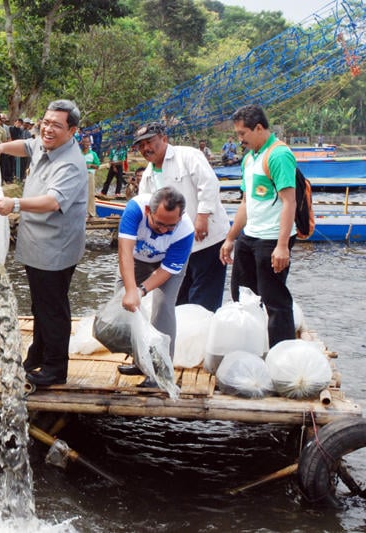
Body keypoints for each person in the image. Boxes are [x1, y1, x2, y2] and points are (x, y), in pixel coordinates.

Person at [0, 99, 87, 387]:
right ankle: (38, 354)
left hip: (55, 247)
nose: (47, 129)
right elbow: (27, 146)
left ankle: (56, 368)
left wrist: (14, 203)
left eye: (56, 125)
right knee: (41, 305)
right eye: (45, 122)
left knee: (53, 308)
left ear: (72, 131)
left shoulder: (70, 163)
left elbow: (53, 201)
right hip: (37, 244)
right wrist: (0, 148)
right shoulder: (46, 144)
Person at [220, 104, 297, 347]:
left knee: (274, 300)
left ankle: (281, 355)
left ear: (259, 128)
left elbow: (289, 202)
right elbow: (246, 202)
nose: (240, 139)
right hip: (250, 235)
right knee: (242, 296)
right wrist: (231, 237)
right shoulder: (249, 159)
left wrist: (282, 245)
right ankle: (252, 346)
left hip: (272, 238)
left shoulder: (278, 155)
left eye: (243, 134)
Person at [134, 122, 230, 312]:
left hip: (207, 240)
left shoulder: (187, 156)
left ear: (164, 139)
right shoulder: (147, 176)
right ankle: (182, 338)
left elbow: (209, 184)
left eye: (150, 142)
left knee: (205, 298)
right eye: (141, 145)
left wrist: (202, 217)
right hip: (176, 246)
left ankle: (202, 336)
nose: (146, 148)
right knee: (178, 299)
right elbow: (147, 211)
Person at [116, 188, 194, 385]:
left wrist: (141, 291)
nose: (163, 230)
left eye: (170, 226)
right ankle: (140, 361)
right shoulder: (134, 210)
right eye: (159, 224)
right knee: (124, 302)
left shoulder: (185, 231)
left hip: (166, 263)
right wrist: (131, 291)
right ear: (148, 211)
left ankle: (161, 370)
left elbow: (166, 271)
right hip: (136, 258)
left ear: (181, 217)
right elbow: (125, 252)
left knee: (163, 306)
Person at [81, 134, 100, 218]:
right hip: (80, 175)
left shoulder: (93, 154)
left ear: (90, 143)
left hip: (89, 174)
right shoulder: (79, 153)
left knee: (90, 193)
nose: (85, 144)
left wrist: (90, 165)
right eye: (84, 142)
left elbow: (97, 166)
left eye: (87, 142)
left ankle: (91, 213)